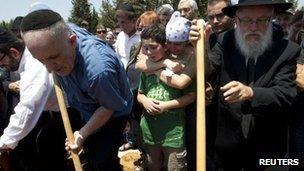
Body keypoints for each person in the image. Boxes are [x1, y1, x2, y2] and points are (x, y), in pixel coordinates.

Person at [191, 0, 299, 170]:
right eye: (247, 20)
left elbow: (285, 93)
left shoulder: (288, 50)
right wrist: (201, 46)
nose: (253, 27)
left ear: (272, 19)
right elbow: (208, 70)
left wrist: (250, 92)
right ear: (237, 20)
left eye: (262, 20)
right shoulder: (225, 40)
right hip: (227, 148)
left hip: (268, 151)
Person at [20, 9, 133, 171]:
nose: (49, 69)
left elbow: (109, 106)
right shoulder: (60, 35)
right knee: (48, 139)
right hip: (83, 104)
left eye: (53, 58)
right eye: (41, 60)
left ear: (72, 41)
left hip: (112, 112)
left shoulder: (98, 70)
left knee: (102, 160)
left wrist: (82, 133)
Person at [0, 27, 73, 171]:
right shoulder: (27, 61)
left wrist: (4, 142)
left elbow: (27, 108)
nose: (1, 67)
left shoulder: (34, 67)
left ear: (14, 53)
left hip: (76, 109)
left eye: (1, 61)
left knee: (47, 144)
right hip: (58, 110)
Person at [137, 23, 195, 171]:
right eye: (145, 48)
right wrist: (145, 101)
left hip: (173, 134)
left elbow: (190, 96)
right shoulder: (146, 68)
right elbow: (140, 94)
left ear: (165, 45)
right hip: (150, 133)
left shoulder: (179, 66)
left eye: (153, 47)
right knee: (152, 166)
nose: (149, 52)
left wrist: (165, 106)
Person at [114, 3, 140, 69]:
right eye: (119, 22)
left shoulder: (141, 37)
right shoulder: (120, 36)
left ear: (133, 21)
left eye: (123, 22)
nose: (120, 25)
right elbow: (117, 57)